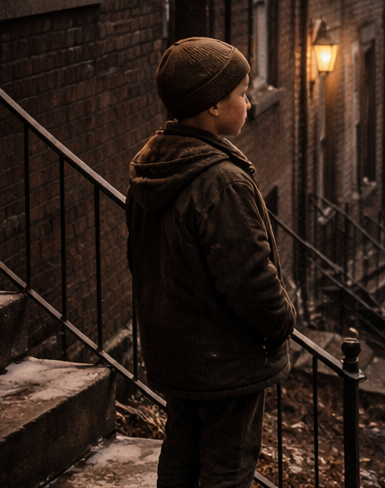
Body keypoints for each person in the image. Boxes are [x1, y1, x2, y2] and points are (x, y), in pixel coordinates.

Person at [126, 37, 296, 488]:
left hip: (180, 354)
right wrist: (282, 322)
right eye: (242, 93)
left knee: (181, 455)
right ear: (215, 106)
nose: (249, 101)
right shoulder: (221, 183)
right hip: (228, 363)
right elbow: (250, 279)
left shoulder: (153, 165)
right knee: (228, 468)